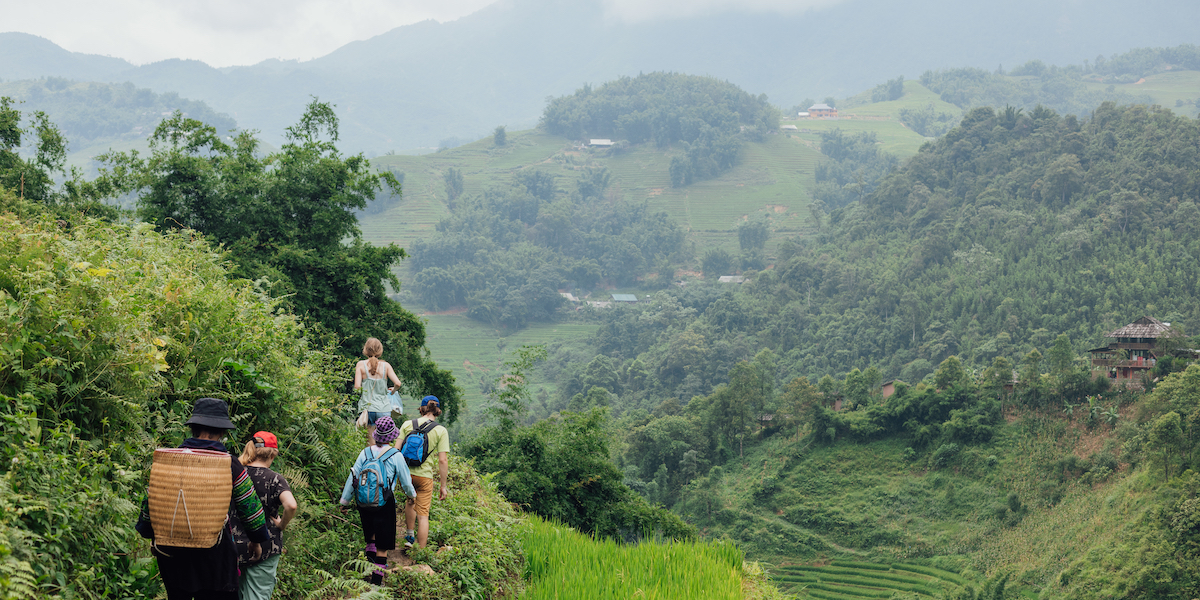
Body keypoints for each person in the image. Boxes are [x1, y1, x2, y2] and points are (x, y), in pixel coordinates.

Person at [135, 398, 271, 600]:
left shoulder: (169, 459)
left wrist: (151, 534)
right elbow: (249, 506)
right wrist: (257, 539)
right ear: (222, 432)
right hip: (215, 555)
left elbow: (152, 500)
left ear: (193, 428)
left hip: (172, 553)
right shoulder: (229, 464)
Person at [340, 416, 416, 585]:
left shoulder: (365, 453)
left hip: (363, 502)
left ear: (376, 435)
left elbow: (353, 478)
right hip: (384, 503)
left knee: (371, 538)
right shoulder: (395, 455)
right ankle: (375, 583)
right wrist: (411, 496)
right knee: (382, 546)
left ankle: (368, 572)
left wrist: (344, 502)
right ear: (392, 436)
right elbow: (405, 480)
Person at [230, 431, 298, 600]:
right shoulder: (275, 479)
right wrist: (282, 524)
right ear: (273, 454)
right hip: (266, 546)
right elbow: (291, 505)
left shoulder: (236, 474)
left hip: (234, 545)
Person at [397, 395, 450, 549]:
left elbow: (396, 450)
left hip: (406, 475)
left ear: (421, 408)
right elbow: (442, 460)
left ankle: (409, 537)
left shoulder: (408, 424)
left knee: (410, 501)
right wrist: (443, 486)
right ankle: (420, 551)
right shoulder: (441, 430)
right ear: (437, 410)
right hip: (425, 477)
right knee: (423, 515)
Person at [354, 337, 403, 440]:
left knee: (370, 441)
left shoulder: (360, 365)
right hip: (384, 409)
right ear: (380, 350)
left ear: (365, 349)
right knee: (384, 441)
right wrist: (393, 391)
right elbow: (398, 383)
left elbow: (357, 387)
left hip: (367, 409)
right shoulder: (386, 366)